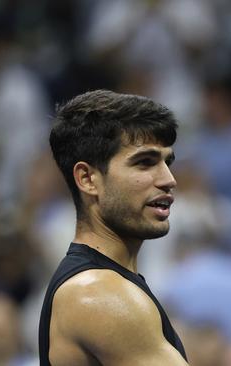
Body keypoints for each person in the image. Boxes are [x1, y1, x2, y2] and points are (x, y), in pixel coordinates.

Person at [38, 90, 188, 365]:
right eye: (145, 162)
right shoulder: (98, 294)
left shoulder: (105, 284)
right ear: (88, 179)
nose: (169, 179)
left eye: (168, 162)